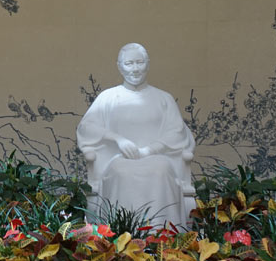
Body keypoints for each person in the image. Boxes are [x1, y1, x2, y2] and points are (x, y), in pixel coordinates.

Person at [77, 43, 195, 228]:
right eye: (129, 63)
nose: (135, 68)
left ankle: (163, 233)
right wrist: (117, 139)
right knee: (121, 171)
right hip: (119, 160)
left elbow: (177, 131)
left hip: (157, 158)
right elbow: (87, 127)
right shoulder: (108, 97)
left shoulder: (164, 98)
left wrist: (149, 150)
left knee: (161, 169)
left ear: (148, 64)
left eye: (139, 62)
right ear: (119, 66)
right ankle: (118, 233)